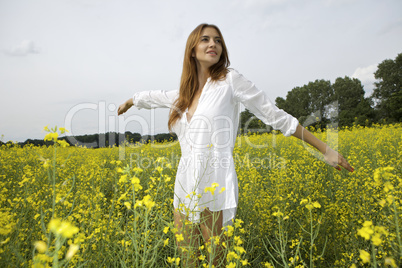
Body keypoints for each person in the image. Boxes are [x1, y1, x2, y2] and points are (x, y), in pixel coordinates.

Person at [118, 23, 354, 267]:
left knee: (216, 259)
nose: (213, 45)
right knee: (187, 259)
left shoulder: (230, 80)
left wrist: (325, 149)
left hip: (214, 179)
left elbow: (275, 115)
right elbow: (152, 96)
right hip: (184, 182)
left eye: (218, 41)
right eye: (205, 39)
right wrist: (131, 101)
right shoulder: (182, 95)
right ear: (192, 50)